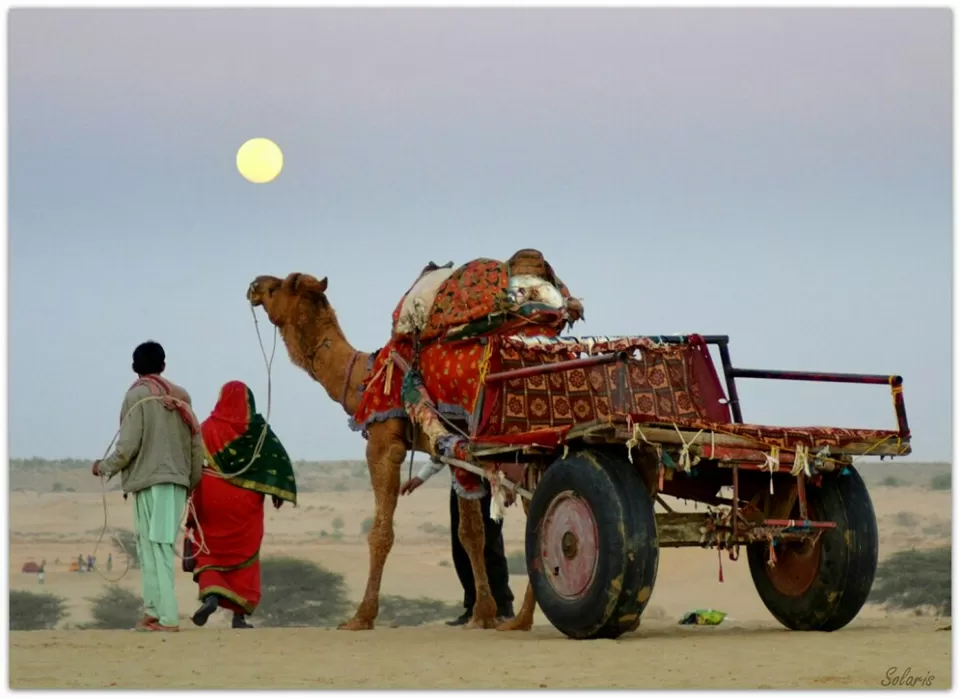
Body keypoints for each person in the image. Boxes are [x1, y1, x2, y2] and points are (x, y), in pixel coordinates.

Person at [93, 340, 204, 633]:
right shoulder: (183, 398)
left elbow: (128, 445)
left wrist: (103, 467)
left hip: (152, 482)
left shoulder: (137, 396)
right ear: (164, 365)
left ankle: (167, 617)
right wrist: (190, 483)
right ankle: (153, 613)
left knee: (157, 548)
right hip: (171, 482)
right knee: (150, 547)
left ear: (134, 368)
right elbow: (196, 445)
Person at [186, 380, 298, 630]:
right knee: (246, 554)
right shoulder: (258, 430)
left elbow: (193, 460)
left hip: (211, 495)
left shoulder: (207, 428)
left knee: (209, 549)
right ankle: (239, 617)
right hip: (245, 500)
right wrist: (276, 491)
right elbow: (277, 458)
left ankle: (211, 596)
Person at [401, 461, 514, 625]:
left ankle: (502, 607)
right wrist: (420, 477)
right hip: (461, 484)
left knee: (490, 545)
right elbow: (444, 449)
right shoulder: (451, 436)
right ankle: (473, 606)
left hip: (489, 482)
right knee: (462, 547)